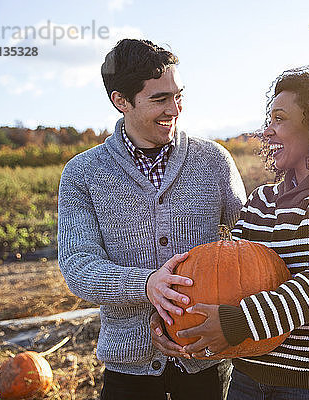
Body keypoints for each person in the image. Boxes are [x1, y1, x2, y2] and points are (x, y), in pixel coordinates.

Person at [151, 27, 309, 399]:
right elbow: (226, 275)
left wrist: (239, 321)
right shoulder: (261, 201)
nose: (267, 130)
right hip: (247, 382)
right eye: (268, 119)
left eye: (279, 119)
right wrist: (173, 321)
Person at [58, 38, 246, 400]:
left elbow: (247, 247)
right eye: (159, 99)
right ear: (121, 101)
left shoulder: (214, 161)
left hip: (208, 361)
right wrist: (147, 286)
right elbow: (78, 266)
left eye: (179, 96)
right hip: (130, 368)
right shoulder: (83, 173)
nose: (174, 109)